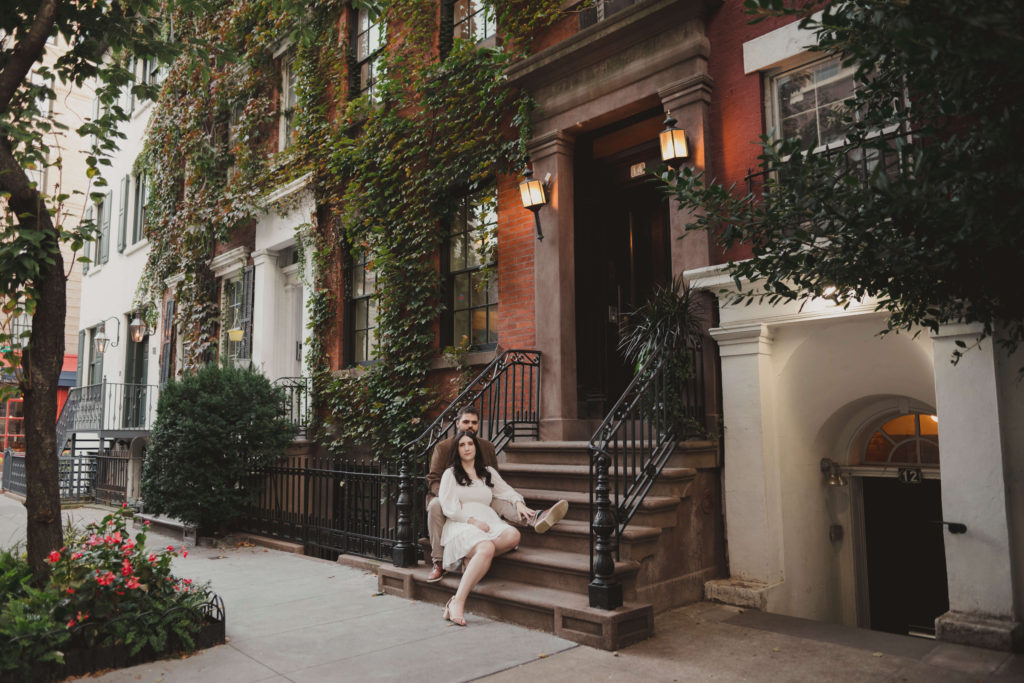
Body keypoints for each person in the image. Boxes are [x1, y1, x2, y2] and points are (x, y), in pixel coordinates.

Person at [424, 406, 568, 583]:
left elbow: (495, 482)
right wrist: (450, 496)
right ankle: (438, 561)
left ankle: (535, 517)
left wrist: (517, 501)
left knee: (498, 498)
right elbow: (433, 479)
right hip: (451, 497)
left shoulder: (487, 447)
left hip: (480, 495)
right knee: (435, 505)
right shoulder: (443, 448)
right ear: (457, 423)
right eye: (466, 422)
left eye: (474, 423)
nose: (470, 426)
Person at [437, 430, 532, 626]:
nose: (466, 448)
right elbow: (448, 508)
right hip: (462, 524)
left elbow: (506, 491)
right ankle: (458, 601)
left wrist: (518, 502)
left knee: (513, 535)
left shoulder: (487, 472)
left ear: (475, 447)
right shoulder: (451, 474)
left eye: (469, 444)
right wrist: (472, 521)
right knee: (486, 547)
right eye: (462, 445)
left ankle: (472, 559)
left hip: (490, 522)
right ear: (457, 450)